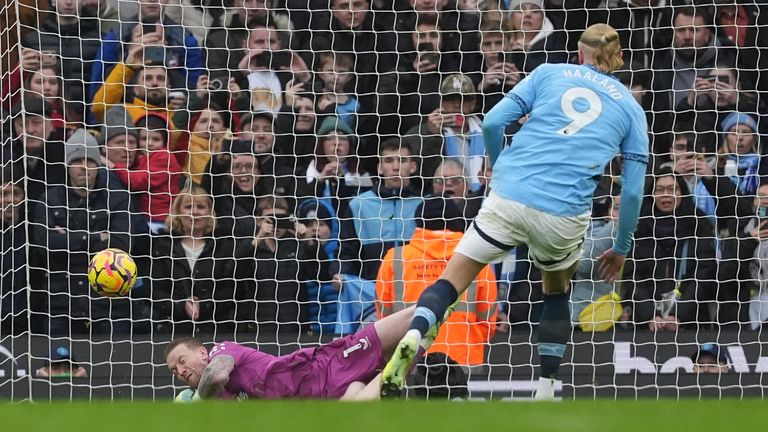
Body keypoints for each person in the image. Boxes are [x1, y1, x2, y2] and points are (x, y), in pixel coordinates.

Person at [379, 24, 648, 400]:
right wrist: (620, 247)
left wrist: (499, 164)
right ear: (618, 58)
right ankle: (547, 387)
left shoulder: (548, 72)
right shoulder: (632, 108)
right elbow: (633, 190)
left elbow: (491, 122)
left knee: (450, 283)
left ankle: (414, 334)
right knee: (555, 293)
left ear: (578, 52)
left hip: (509, 195)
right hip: (563, 213)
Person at [165, 305, 447, 400]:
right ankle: (420, 343)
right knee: (359, 408)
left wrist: (197, 400)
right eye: (174, 371)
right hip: (315, 400)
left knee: (407, 319)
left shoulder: (220, 352)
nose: (180, 371)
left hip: (318, 370)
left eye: (181, 361)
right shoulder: (221, 401)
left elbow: (216, 376)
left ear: (202, 352)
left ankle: (443, 297)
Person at [376, 197, 497, 366]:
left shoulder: (395, 258)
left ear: (418, 221)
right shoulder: (476, 260)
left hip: (407, 361)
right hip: (464, 359)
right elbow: (489, 320)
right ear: (457, 221)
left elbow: (384, 315)